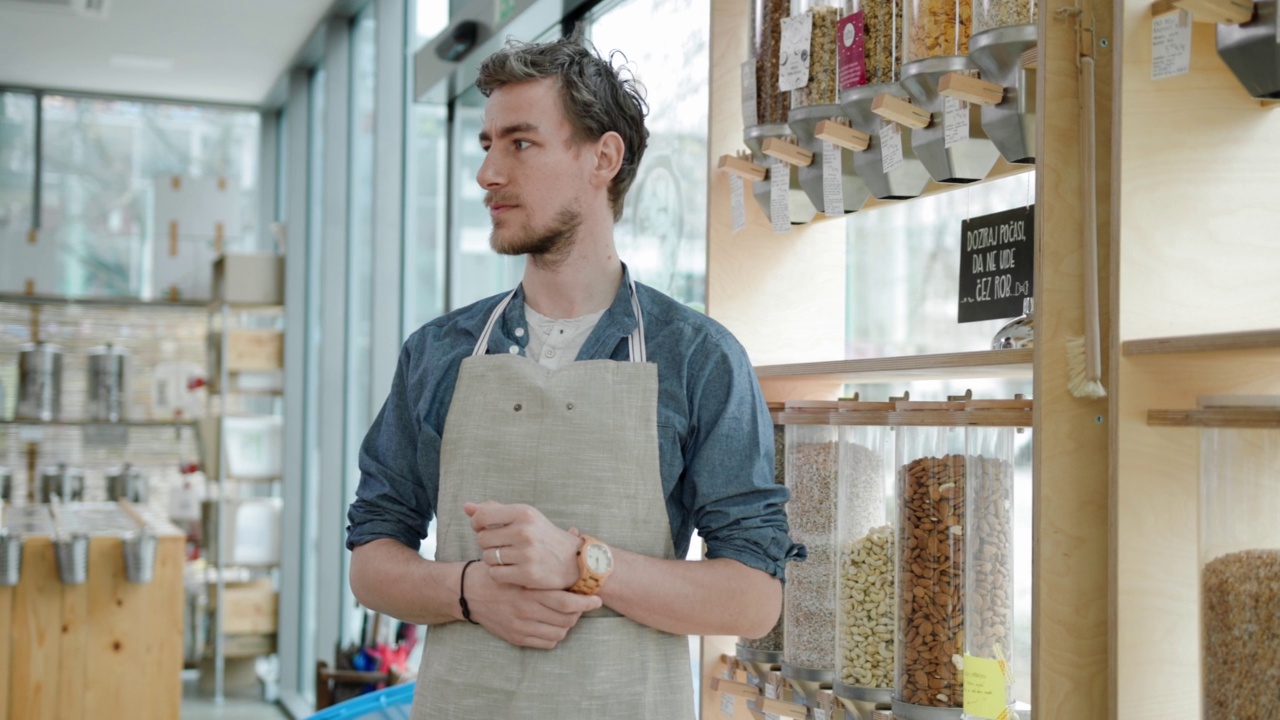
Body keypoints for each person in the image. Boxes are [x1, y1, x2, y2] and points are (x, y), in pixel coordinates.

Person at [346, 30, 803, 720]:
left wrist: (582, 561)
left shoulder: (696, 358)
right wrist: (469, 591)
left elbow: (752, 596)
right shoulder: (439, 353)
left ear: (604, 157)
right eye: (487, 145)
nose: (488, 173)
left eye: (520, 143)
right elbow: (372, 560)